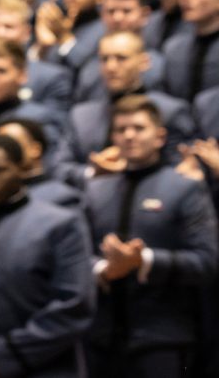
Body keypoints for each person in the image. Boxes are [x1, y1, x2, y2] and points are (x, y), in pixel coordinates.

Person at [84, 96, 218, 376]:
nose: (129, 135)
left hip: (163, 335)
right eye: (121, 130)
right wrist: (102, 269)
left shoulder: (185, 188)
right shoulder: (96, 191)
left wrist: (142, 260)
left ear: (160, 137)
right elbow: (76, 255)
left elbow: (207, 261)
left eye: (138, 128)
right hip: (100, 338)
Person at [0, 135, 95, 377]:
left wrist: (0, 356)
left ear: (22, 168)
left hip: (42, 364)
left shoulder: (60, 223)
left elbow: (75, 304)